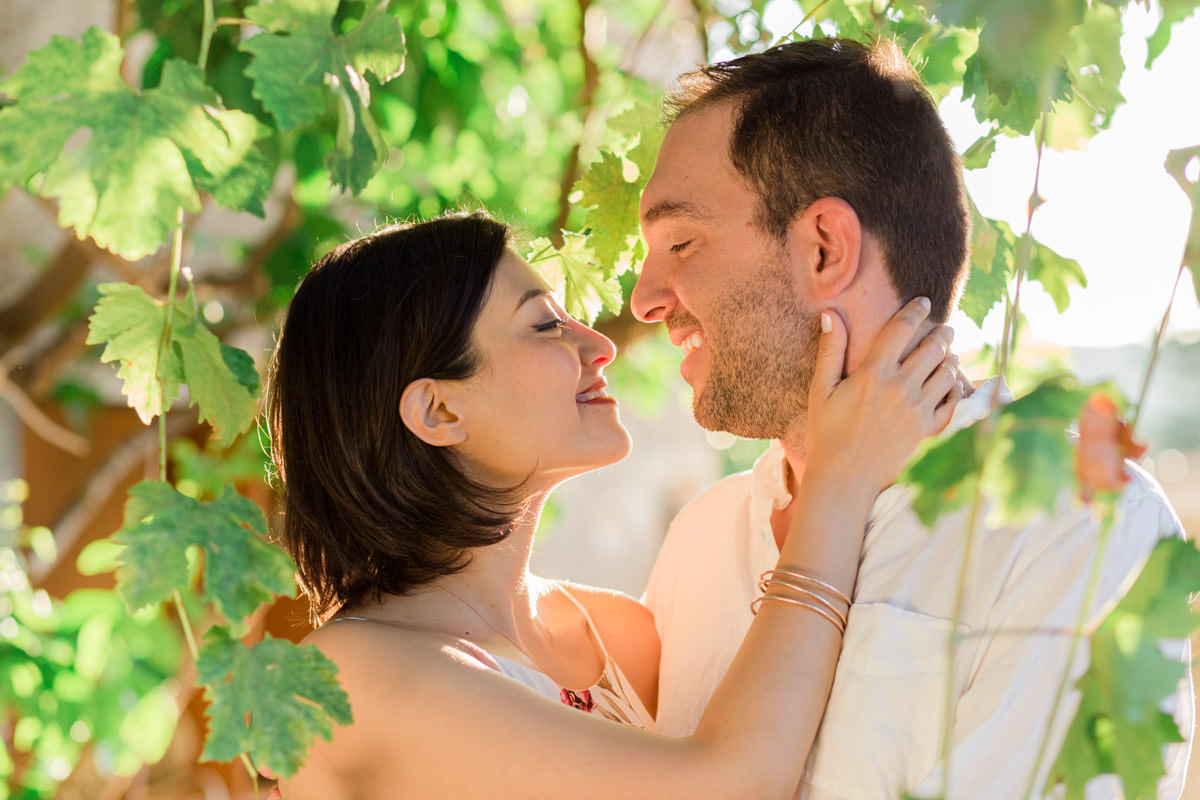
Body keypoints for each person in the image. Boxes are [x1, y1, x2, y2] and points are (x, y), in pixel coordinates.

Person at [631, 36, 1193, 799]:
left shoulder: (1079, 520)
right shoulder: (698, 542)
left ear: (826, 248)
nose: (645, 299)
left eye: (681, 242)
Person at [266, 211, 961, 797]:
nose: (598, 346)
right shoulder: (350, 678)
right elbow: (726, 783)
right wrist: (840, 480)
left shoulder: (616, 636)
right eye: (543, 326)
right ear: (440, 410)